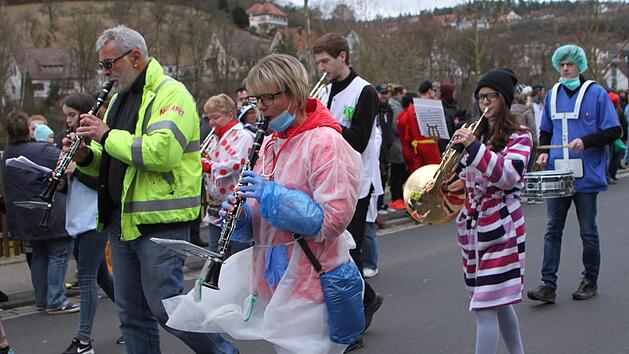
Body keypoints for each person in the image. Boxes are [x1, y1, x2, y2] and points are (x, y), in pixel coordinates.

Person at [165, 53, 363, 354]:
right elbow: (261, 226)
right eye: (257, 99)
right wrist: (242, 214)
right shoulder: (271, 143)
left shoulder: (326, 142)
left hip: (313, 278)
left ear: (294, 94)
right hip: (275, 278)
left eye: (269, 98)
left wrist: (270, 194)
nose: (261, 108)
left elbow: (332, 220)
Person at [66, 25, 237, 353]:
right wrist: (87, 155)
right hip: (122, 222)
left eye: (109, 64)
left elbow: (161, 152)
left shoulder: (171, 94)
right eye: (102, 66)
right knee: (130, 314)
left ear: (135, 57)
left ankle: (224, 352)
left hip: (162, 221)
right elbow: (115, 161)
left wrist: (104, 135)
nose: (106, 74)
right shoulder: (118, 99)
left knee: (166, 309)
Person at [527, 44, 621, 304]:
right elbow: (546, 130)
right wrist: (543, 153)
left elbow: (614, 131)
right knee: (551, 229)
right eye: (562, 64)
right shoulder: (553, 94)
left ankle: (590, 280)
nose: (565, 68)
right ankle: (548, 284)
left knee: (588, 231)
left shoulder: (597, 92)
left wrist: (586, 141)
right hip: (558, 171)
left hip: (586, 174)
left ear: (580, 65)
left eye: (570, 63)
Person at [451, 67, 530, 354]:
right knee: (498, 303)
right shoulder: (477, 135)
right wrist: (447, 182)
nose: (485, 103)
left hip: (503, 227)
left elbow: (508, 176)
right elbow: (467, 178)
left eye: (491, 97)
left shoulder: (520, 136)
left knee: (485, 306)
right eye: (481, 97)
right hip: (473, 228)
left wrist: (474, 150)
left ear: (504, 100)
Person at [313, 32, 383, 351]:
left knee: (348, 255)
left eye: (326, 61)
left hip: (356, 182)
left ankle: (352, 323)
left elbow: (358, 140)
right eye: (318, 63)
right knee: (337, 255)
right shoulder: (325, 91)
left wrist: (326, 121)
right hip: (330, 180)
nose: (322, 68)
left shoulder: (364, 91)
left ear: (343, 57)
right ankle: (367, 299)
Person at [58, 93, 119, 354]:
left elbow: (104, 183)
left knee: (86, 278)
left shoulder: (101, 141)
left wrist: (77, 169)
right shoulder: (72, 143)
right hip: (77, 217)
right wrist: (60, 181)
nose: (68, 120)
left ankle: (83, 341)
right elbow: (72, 187)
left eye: (72, 115)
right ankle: (135, 317)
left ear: (85, 113)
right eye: (66, 116)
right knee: (102, 278)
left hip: (94, 218)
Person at [2, 111, 79, 315]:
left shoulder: (8, 152)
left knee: (39, 254)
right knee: (59, 252)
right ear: (29, 129)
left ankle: (42, 299)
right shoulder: (43, 150)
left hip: (25, 214)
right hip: (50, 212)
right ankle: (56, 300)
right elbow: (70, 165)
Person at [201, 93, 254, 253]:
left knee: (237, 257)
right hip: (214, 208)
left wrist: (210, 166)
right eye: (209, 118)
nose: (211, 123)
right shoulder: (213, 138)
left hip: (236, 207)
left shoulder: (243, 136)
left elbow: (237, 163)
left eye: (216, 117)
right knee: (214, 256)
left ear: (229, 115)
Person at [399, 81, 441, 174]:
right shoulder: (432, 107)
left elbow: (407, 134)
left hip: (416, 150)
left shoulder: (410, 109)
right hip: (430, 149)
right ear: (430, 91)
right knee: (433, 176)